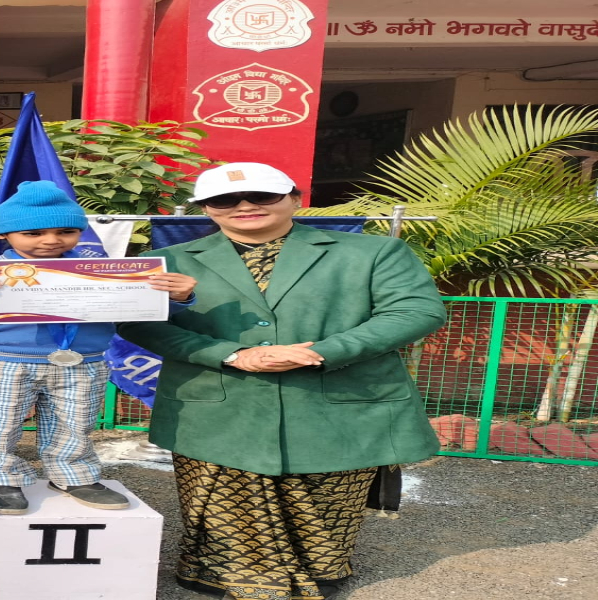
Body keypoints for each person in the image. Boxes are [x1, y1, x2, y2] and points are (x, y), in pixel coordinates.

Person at [116, 162, 445, 600]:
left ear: (295, 198)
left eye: (262, 196)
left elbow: (415, 311)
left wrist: (321, 352)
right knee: (224, 507)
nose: (244, 206)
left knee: (327, 500)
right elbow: (137, 322)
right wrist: (233, 354)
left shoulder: (374, 252)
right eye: (224, 199)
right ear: (206, 208)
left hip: (338, 400)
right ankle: (225, 577)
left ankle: (321, 572)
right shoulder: (167, 262)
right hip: (217, 406)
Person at [0, 181, 196, 514]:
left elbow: (139, 310)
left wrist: (177, 297)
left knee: (75, 424)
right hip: (4, 362)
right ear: (3, 234)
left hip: (83, 362)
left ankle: (73, 475)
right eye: (33, 233)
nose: (51, 240)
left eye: (66, 231)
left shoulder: (104, 272)